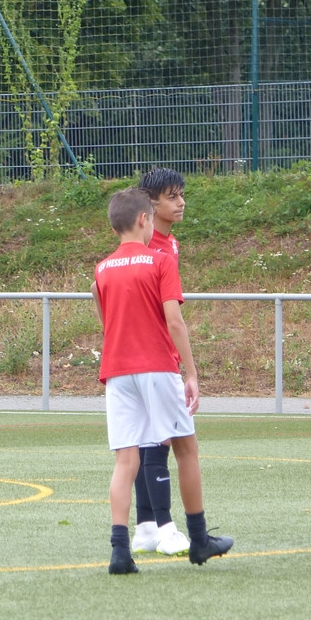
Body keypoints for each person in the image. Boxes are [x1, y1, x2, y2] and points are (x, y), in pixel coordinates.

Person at [93, 187, 232, 574]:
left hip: (117, 372)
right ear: (144, 219)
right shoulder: (160, 261)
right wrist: (191, 372)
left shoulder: (102, 268)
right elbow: (174, 321)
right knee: (186, 449)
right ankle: (199, 539)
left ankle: (120, 550)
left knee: (126, 459)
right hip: (155, 365)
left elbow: (104, 314)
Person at [128, 168, 191, 557]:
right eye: (172, 196)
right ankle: (165, 529)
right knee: (159, 440)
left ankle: (146, 526)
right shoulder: (149, 245)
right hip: (152, 356)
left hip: (151, 354)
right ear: (150, 205)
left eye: (181, 195)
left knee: (148, 439)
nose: (181, 202)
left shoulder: (170, 242)